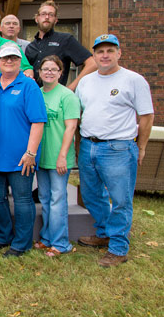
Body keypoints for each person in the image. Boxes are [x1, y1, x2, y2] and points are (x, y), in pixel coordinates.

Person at [76, 34, 154, 267]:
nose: (105, 55)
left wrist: (141, 146)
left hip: (118, 147)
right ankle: (104, 233)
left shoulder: (133, 80)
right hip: (88, 145)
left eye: (110, 50)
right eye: (100, 52)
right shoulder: (86, 81)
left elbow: (147, 116)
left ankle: (119, 248)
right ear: (95, 56)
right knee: (92, 195)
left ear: (119, 53)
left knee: (120, 199)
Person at [0, 42, 47, 257]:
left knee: (22, 199)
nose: (9, 61)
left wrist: (31, 153)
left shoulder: (28, 85)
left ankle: (21, 243)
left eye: (13, 58)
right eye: (5, 58)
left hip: (22, 156)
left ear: (20, 61)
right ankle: (3, 236)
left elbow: (38, 122)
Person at [35, 55, 80, 257]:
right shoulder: (37, 94)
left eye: (54, 69)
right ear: (39, 72)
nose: (49, 72)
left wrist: (62, 156)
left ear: (61, 73)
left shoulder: (67, 96)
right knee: (45, 198)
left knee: (58, 200)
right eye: (45, 69)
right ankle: (46, 238)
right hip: (42, 157)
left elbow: (71, 128)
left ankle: (61, 243)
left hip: (59, 157)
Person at [25, 0, 97, 90]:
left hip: (57, 98)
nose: (47, 17)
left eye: (51, 15)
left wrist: (71, 88)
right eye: (43, 14)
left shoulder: (65, 40)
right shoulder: (30, 47)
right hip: (34, 96)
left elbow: (92, 64)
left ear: (55, 20)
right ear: (37, 19)